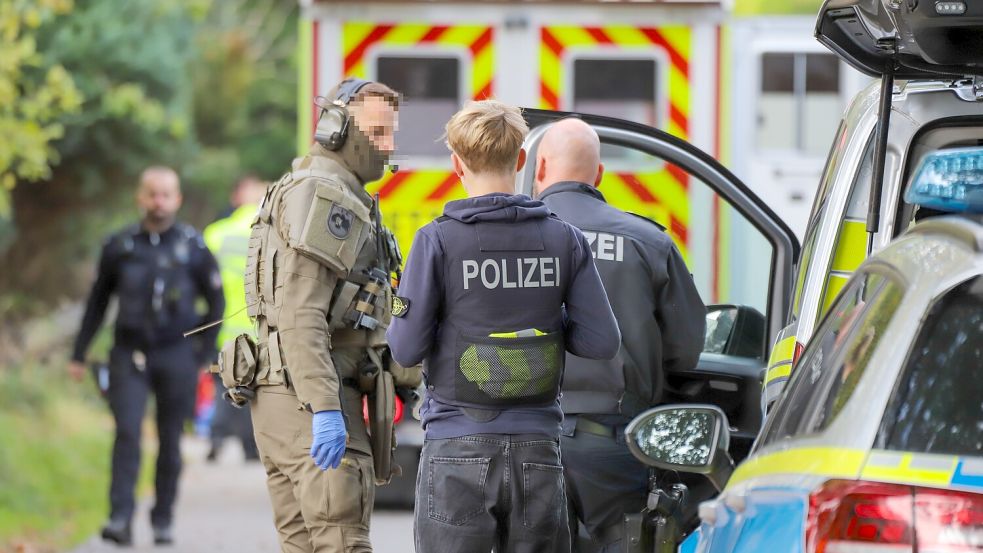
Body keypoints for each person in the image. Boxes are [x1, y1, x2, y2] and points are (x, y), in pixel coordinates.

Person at [386, 100, 621, 553]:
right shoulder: (562, 237)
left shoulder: (436, 239)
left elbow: (405, 350)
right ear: (520, 160)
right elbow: (601, 341)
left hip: (456, 448)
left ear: (456, 164)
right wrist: (547, 327)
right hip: (538, 452)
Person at [238, 78, 411, 553]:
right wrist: (328, 409)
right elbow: (300, 312)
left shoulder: (300, 186)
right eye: (377, 133)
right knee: (341, 542)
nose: (388, 146)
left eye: (390, 133)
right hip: (312, 397)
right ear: (336, 127)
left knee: (303, 545)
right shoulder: (329, 196)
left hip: (282, 396)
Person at [533, 118, 706, 552]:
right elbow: (685, 351)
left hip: (523, 439)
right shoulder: (647, 240)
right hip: (612, 443)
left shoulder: (507, 239)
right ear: (600, 175)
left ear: (539, 169)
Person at [68, 166, 225, 545]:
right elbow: (98, 302)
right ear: (141, 198)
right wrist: (79, 353)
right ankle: (120, 517)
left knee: (171, 438)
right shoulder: (120, 245)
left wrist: (203, 351)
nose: (159, 202)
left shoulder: (192, 246)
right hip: (129, 353)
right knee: (127, 433)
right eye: (152, 194)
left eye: (166, 194)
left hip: (177, 355)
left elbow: (217, 301)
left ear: (178, 199)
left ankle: (162, 518)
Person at [202, 175, 268, 462]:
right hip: (259, 328)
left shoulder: (216, 234)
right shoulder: (272, 233)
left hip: (222, 326)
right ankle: (249, 445)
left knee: (222, 382)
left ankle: (217, 435)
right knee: (253, 387)